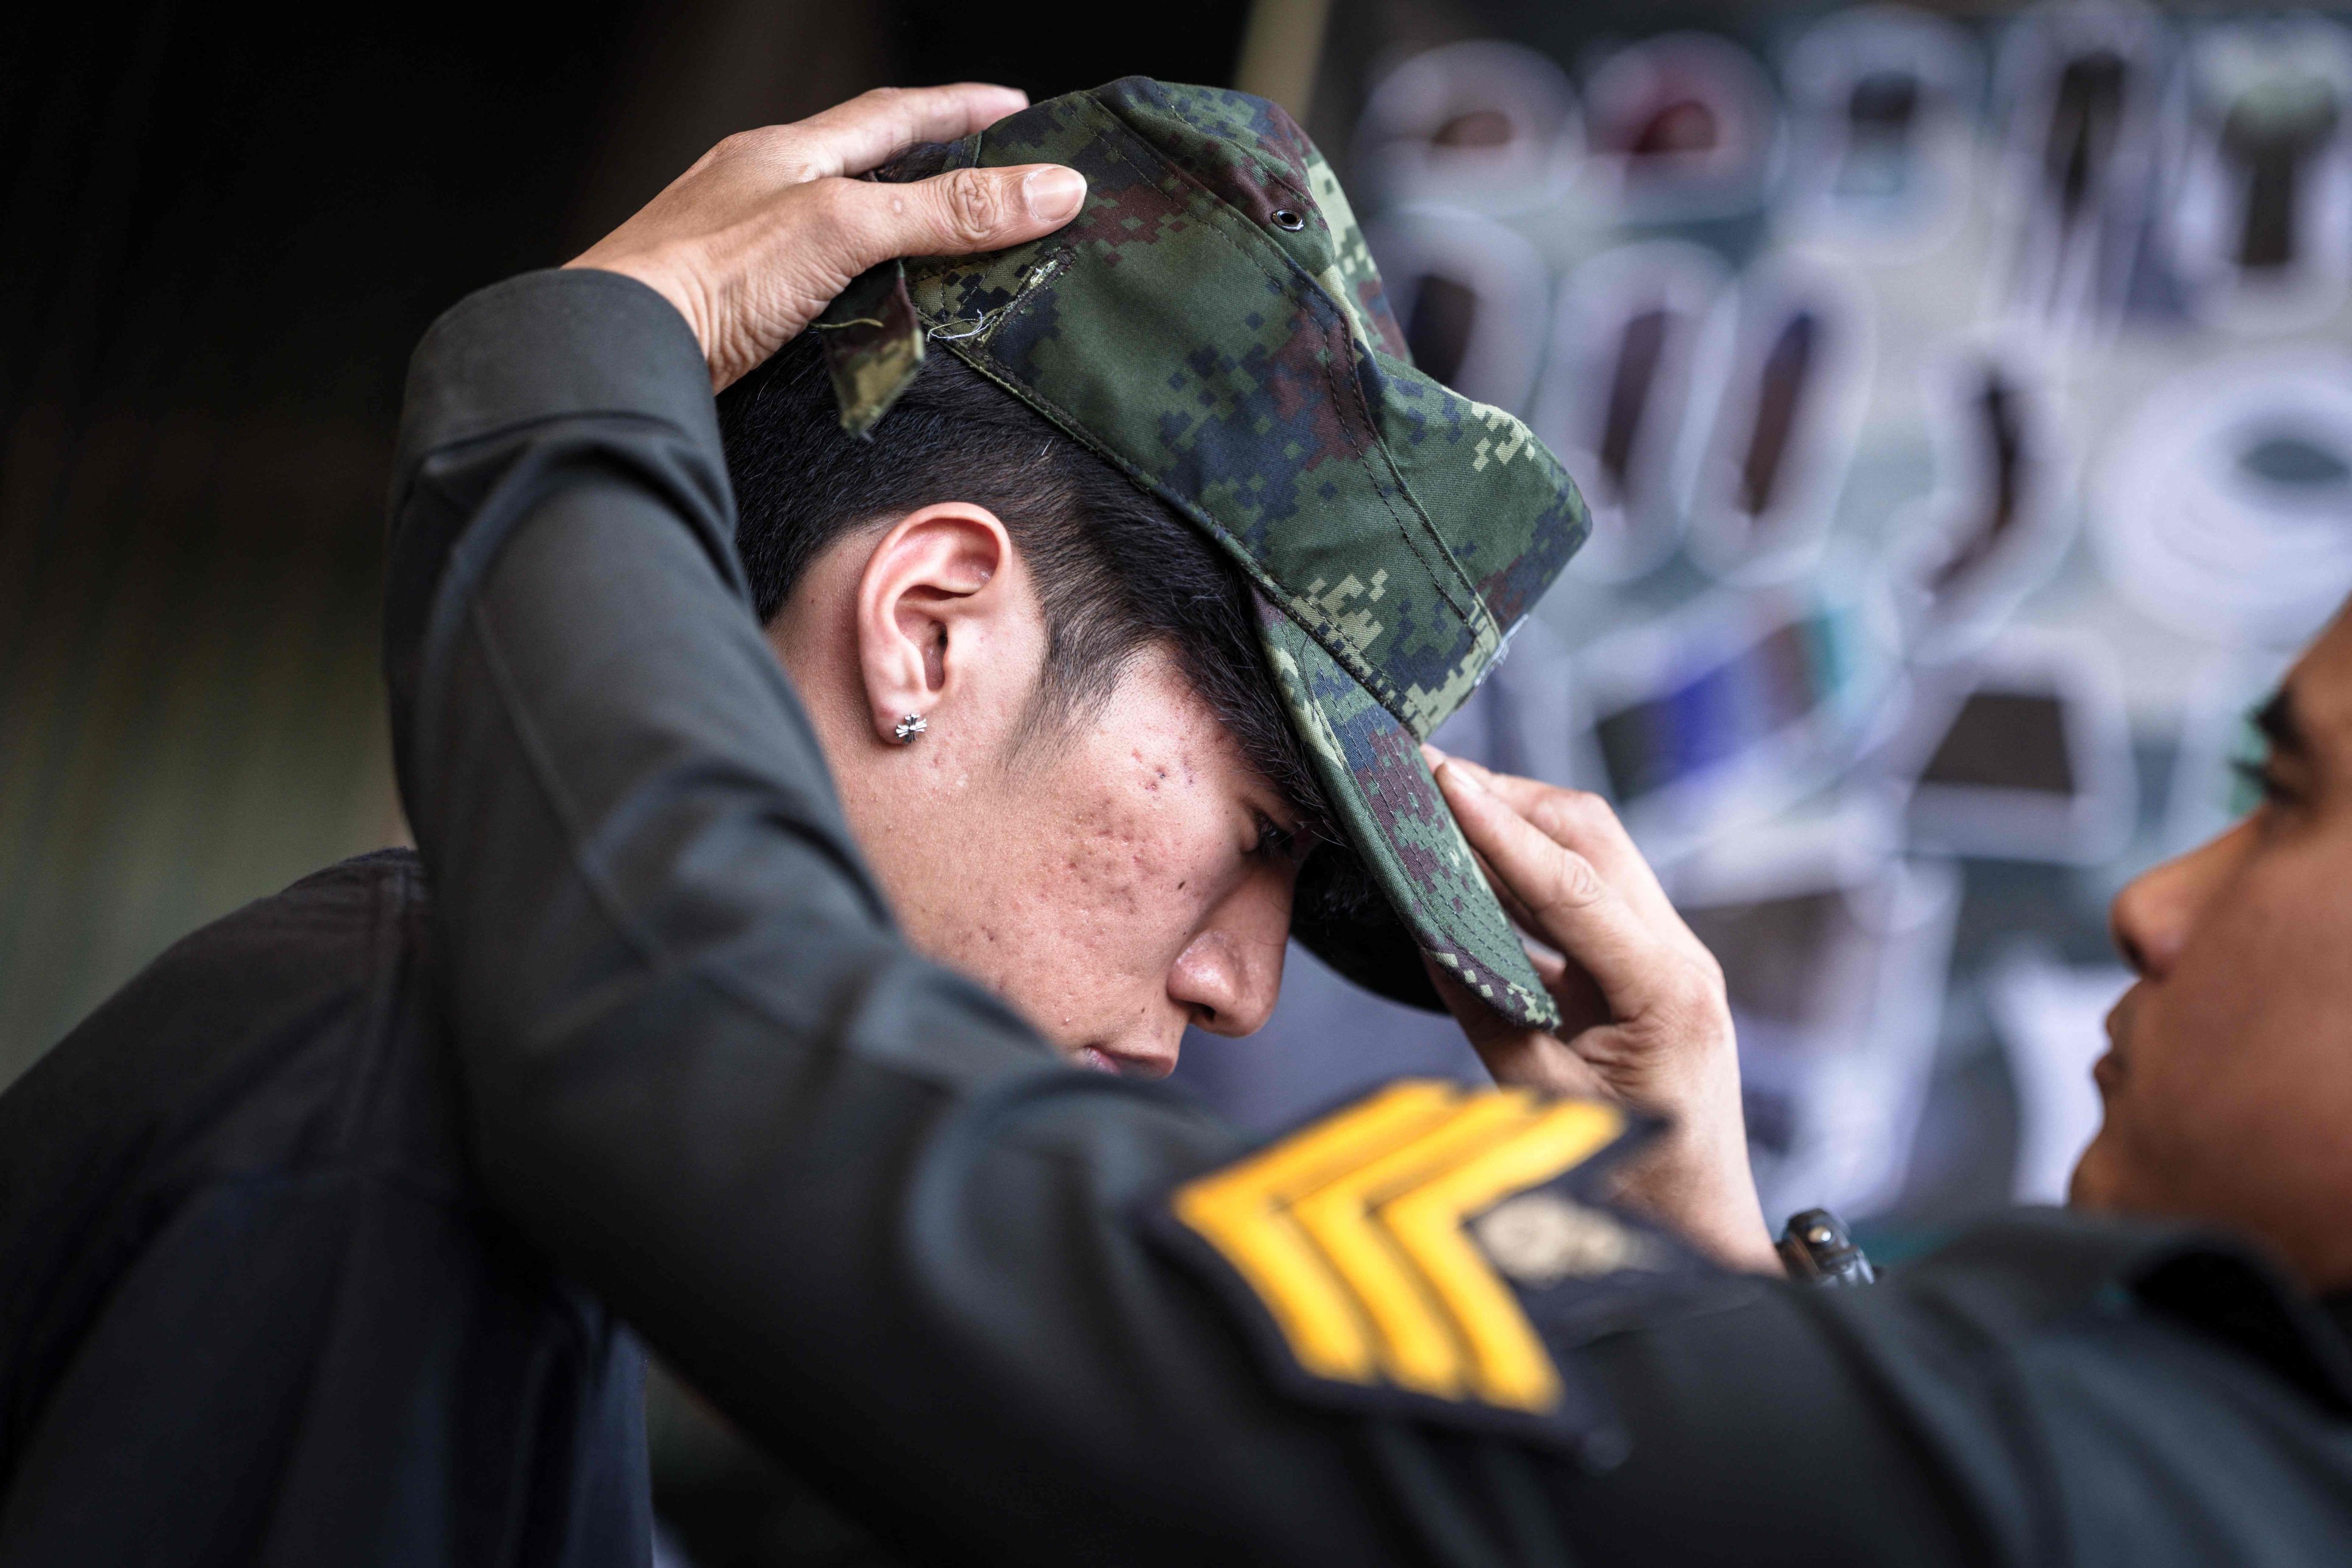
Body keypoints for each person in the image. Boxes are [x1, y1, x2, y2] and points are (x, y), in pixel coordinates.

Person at [0, 79, 1754, 1565]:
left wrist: (1709, 1290)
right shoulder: (397, 1106)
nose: (1242, 987)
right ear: (930, 626)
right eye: (1254, 830)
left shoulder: (593, 1160)